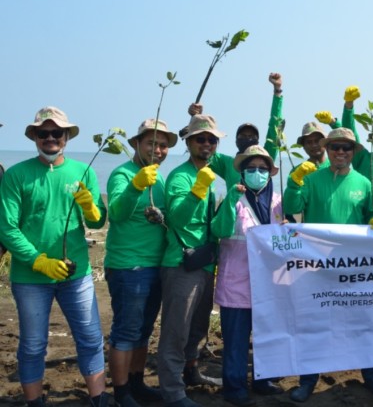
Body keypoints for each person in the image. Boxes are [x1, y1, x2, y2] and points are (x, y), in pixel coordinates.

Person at [0, 107, 109, 407]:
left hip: (77, 274)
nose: (50, 138)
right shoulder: (17, 175)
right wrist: (38, 260)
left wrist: (90, 207)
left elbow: (98, 223)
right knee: (34, 345)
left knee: (90, 338)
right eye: (43, 133)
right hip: (30, 277)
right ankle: (34, 401)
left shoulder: (82, 171)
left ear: (66, 137)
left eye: (56, 133)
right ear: (34, 136)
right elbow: (7, 228)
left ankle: (98, 397)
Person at [284, 128, 373, 401]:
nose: (340, 152)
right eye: (335, 148)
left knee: (363, 320)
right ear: (327, 150)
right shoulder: (311, 179)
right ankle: (308, 380)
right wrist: (294, 183)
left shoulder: (364, 183)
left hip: (355, 267)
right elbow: (291, 206)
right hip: (317, 266)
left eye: (346, 148)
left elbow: (372, 219)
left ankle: (371, 374)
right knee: (315, 322)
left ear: (353, 151)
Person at [105, 119, 178, 407]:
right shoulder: (122, 174)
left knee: (144, 330)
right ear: (136, 143)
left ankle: (137, 383)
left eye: (162, 145)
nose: (158, 150)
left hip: (155, 265)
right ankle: (122, 392)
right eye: (151, 143)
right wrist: (136, 185)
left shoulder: (158, 177)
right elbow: (117, 213)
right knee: (126, 332)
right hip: (128, 267)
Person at [158, 114, 228, 407]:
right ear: (188, 142)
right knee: (176, 330)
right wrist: (198, 189)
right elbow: (175, 217)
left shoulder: (215, 174)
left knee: (198, 327)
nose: (207, 144)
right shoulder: (180, 176)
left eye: (212, 139)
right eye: (201, 138)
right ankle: (173, 392)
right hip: (180, 264)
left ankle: (191, 372)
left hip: (206, 263)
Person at [214, 145, 286, 406]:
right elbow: (220, 230)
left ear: (270, 173)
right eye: (251, 169)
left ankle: (263, 380)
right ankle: (234, 388)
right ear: (242, 173)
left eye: (263, 169)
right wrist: (230, 203)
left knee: (267, 335)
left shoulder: (278, 200)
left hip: (268, 284)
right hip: (236, 282)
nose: (257, 173)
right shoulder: (233, 199)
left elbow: (282, 241)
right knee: (235, 340)